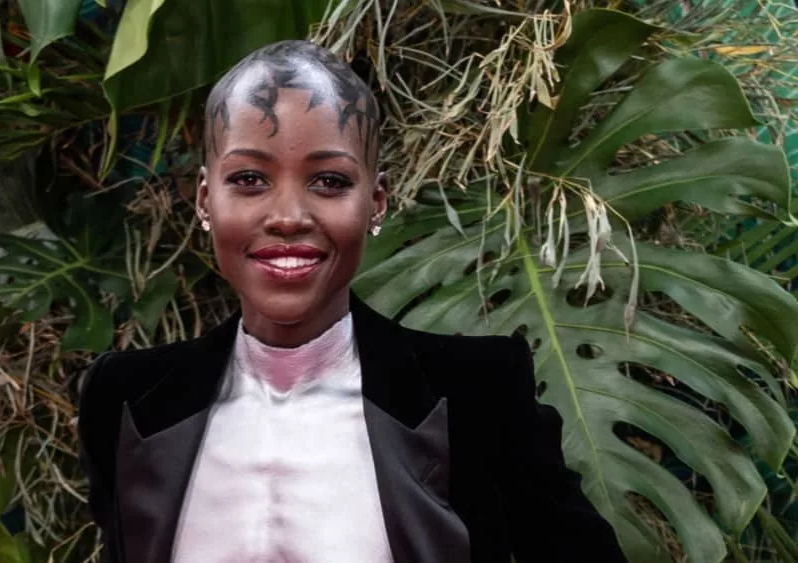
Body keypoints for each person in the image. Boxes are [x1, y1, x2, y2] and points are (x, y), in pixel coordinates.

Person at [77, 39, 626, 563]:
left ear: (376, 201)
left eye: (329, 181)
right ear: (205, 199)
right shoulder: (126, 399)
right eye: (248, 178)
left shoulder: (477, 392)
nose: (288, 215)